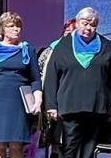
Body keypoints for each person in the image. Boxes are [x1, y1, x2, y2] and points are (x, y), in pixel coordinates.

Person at [45, 7, 111, 158]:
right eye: (85, 23)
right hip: (71, 105)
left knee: (89, 150)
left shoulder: (106, 45)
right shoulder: (63, 45)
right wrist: (51, 105)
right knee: (70, 148)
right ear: (78, 23)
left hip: (96, 105)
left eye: (93, 25)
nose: (88, 28)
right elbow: (51, 76)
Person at [0, 12, 42, 158]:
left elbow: (35, 79)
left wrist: (38, 100)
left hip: (18, 100)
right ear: (2, 29)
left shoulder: (27, 50)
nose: (16, 29)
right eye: (11, 26)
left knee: (16, 144)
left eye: (18, 26)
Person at [39, 19, 78, 156]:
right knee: (55, 137)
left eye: (72, 32)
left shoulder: (82, 51)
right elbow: (41, 72)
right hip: (53, 98)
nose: (68, 34)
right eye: (67, 31)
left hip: (73, 99)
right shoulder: (51, 49)